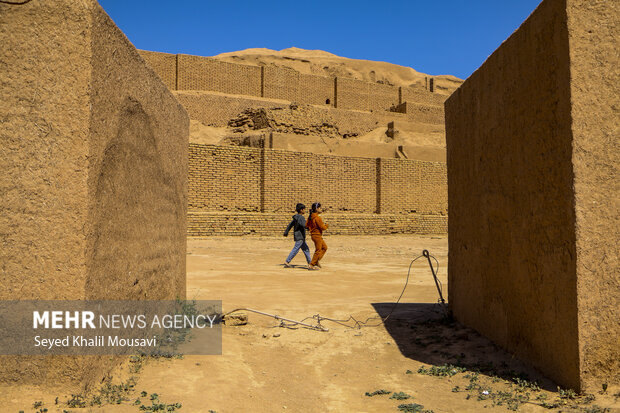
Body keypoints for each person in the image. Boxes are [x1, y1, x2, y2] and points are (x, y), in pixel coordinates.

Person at [283, 203, 311, 268]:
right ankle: (287, 261)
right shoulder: (301, 218)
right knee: (296, 249)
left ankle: (310, 263)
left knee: (306, 249)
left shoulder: (295, 217)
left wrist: (286, 232)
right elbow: (304, 225)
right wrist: (310, 228)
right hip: (300, 236)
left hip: (299, 236)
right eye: (304, 209)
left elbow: (290, 225)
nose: (305, 211)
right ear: (301, 210)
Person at [306, 202, 328, 270]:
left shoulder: (311, 217)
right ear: (317, 209)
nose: (321, 209)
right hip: (317, 235)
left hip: (314, 235)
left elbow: (306, 225)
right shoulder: (317, 218)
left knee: (324, 247)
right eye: (320, 208)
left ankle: (316, 260)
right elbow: (323, 227)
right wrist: (326, 225)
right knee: (318, 250)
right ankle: (312, 264)